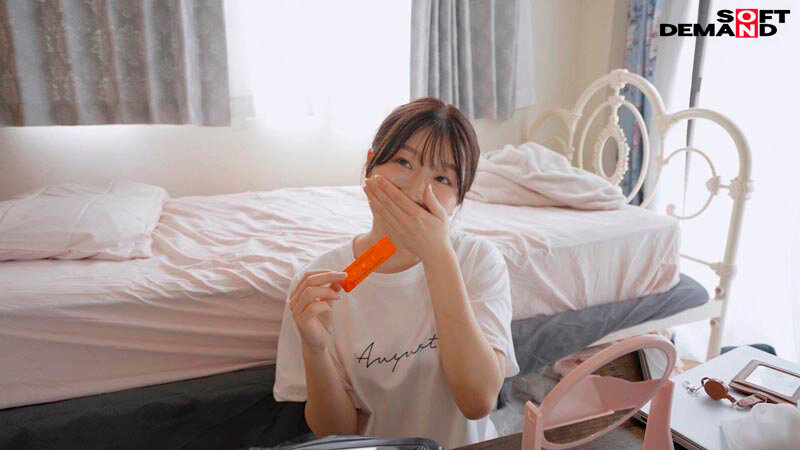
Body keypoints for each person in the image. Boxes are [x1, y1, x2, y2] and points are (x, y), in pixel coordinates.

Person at [273, 97, 519, 449]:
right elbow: (337, 432)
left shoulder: (480, 260)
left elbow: (478, 401)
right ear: (370, 164)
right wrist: (315, 349)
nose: (417, 190)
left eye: (442, 178)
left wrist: (437, 255)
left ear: (458, 200)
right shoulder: (321, 281)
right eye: (404, 162)